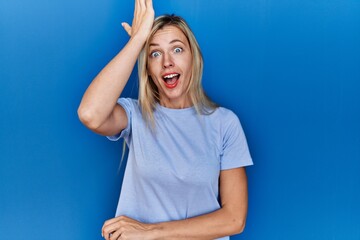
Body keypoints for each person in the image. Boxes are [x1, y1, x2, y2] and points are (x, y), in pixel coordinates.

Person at [78, 0, 253, 239]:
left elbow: (234, 219)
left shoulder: (225, 123)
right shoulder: (134, 115)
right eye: (155, 53)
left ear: (194, 58)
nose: (167, 61)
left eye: (177, 49)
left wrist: (150, 232)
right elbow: (90, 114)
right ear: (148, 68)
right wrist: (137, 41)